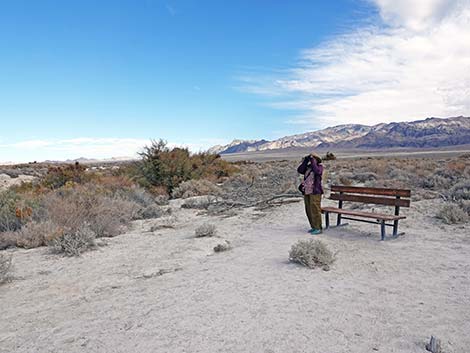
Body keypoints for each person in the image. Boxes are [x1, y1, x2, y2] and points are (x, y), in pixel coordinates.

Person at [297, 153, 324, 234]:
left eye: (313, 159)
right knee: (309, 210)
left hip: (315, 192)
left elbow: (317, 172)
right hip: (307, 191)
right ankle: (313, 226)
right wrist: (305, 161)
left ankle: (318, 227)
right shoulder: (308, 168)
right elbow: (300, 170)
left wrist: (313, 160)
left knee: (315, 209)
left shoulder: (320, 167)